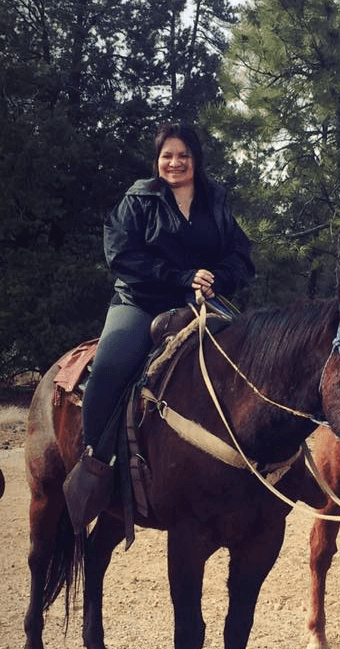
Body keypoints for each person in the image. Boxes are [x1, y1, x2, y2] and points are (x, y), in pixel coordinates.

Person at [63, 122, 256, 533]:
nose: (175, 162)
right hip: (141, 301)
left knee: (252, 366)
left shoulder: (215, 201)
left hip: (202, 301)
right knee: (108, 373)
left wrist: (215, 278)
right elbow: (122, 257)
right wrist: (181, 276)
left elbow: (242, 256)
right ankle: (96, 470)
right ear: (157, 160)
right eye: (167, 155)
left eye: (183, 155)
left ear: (196, 159)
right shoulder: (139, 199)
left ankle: (257, 466)